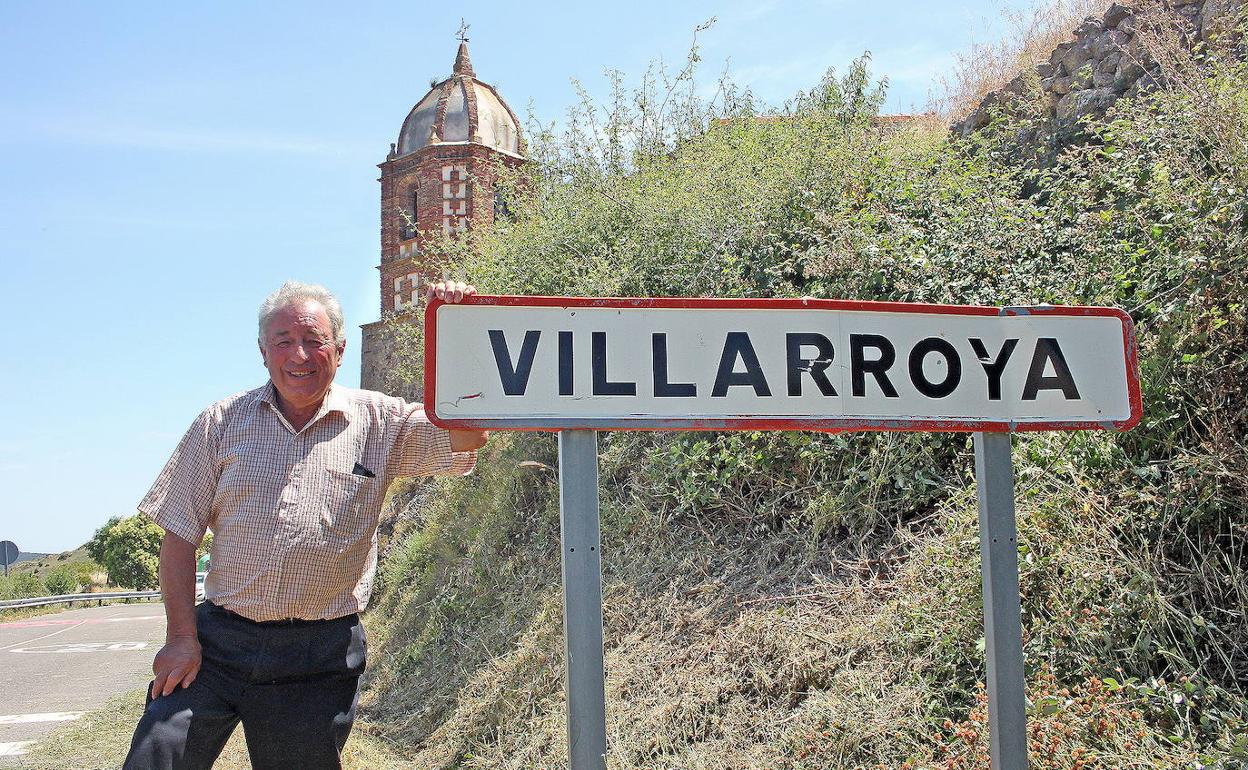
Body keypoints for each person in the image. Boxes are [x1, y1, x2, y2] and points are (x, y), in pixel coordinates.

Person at [123, 280, 487, 770]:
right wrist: (181, 637)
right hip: (217, 647)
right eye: (282, 341)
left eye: (314, 340)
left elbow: (467, 436)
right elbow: (179, 536)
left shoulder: (380, 422)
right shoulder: (221, 422)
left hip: (318, 658)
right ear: (262, 352)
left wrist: (460, 328)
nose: (299, 354)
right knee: (154, 758)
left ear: (339, 350)